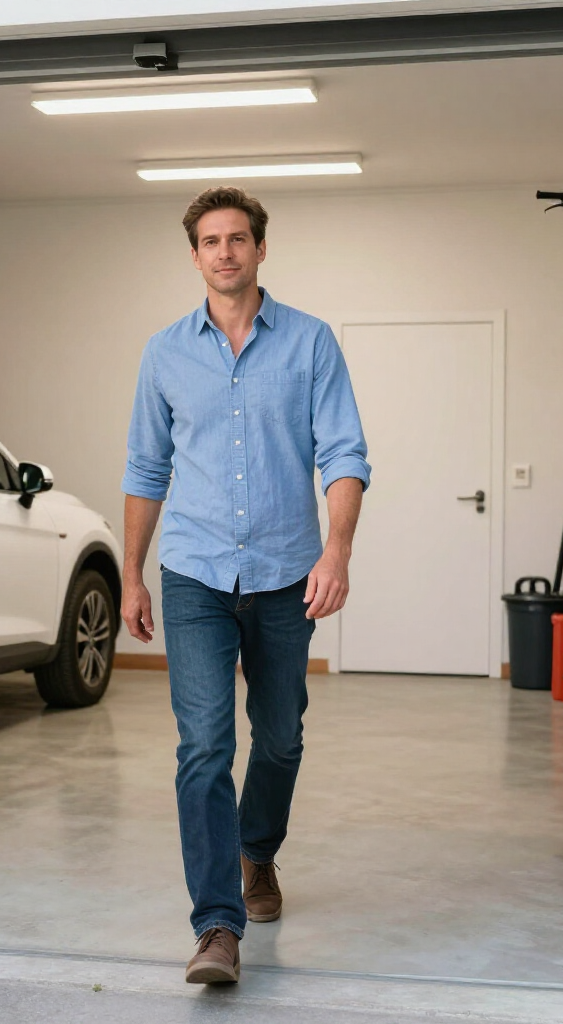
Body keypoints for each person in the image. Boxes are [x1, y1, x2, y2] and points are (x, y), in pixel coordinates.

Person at [120, 186, 370, 985]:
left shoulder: (310, 343)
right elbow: (145, 469)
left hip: (285, 574)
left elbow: (344, 453)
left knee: (282, 734)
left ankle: (257, 851)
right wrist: (131, 573)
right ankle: (217, 924)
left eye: (237, 238)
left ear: (261, 248)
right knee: (203, 745)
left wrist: (337, 551)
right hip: (192, 571)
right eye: (209, 240)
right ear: (193, 255)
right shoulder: (164, 352)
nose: (224, 251)